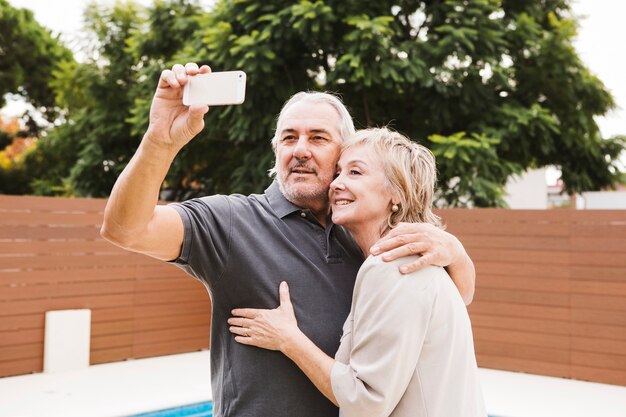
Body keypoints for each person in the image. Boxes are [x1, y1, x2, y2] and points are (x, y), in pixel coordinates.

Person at [101, 63, 476, 417]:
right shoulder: (232, 221)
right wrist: (160, 141)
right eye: (288, 138)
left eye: (318, 138)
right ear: (276, 150)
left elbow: (445, 305)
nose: (300, 149)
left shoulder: (367, 232)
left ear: (343, 153)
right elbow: (126, 229)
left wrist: (458, 255)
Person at [228, 128, 487, 417]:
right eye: (338, 172)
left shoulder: (391, 267)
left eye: (355, 173)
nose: (336, 184)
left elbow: (365, 400)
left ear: (396, 193)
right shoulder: (422, 261)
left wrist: (288, 338)